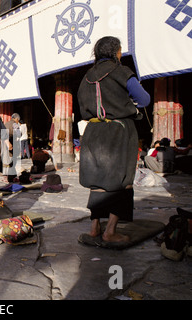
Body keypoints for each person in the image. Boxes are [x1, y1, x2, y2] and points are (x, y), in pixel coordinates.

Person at [77, 36, 150, 244]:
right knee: (122, 180)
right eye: (120, 51)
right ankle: (110, 231)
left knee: (97, 180)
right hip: (118, 131)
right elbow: (144, 99)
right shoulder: (120, 71)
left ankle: (94, 228)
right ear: (115, 52)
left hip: (92, 131)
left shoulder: (87, 76)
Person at [4, 113, 21, 182]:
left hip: (4, 143)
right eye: (18, 120)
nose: (18, 122)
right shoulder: (14, 124)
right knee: (13, 161)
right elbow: (19, 134)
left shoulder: (6, 123)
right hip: (11, 143)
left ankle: (10, 175)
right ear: (16, 119)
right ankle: (11, 177)